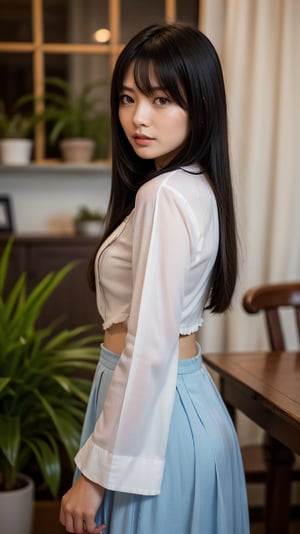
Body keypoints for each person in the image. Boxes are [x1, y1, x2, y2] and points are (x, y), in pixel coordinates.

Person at [59, 23, 250, 534]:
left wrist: (94, 477)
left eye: (162, 99)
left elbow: (147, 349)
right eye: (127, 97)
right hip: (180, 405)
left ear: (201, 106)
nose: (137, 118)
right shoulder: (195, 186)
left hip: (155, 416)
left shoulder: (164, 194)